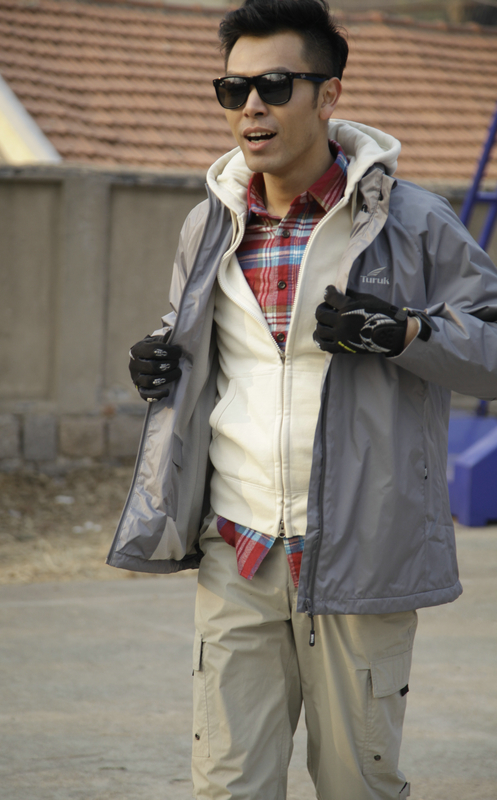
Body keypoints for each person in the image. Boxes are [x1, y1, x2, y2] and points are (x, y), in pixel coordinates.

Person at [107, 1, 497, 797]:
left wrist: (406, 333)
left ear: (328, 95)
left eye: (275, 85)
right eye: (233, 89)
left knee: (355, 784)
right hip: (238, 546)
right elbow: (204, 346)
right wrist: (162, 362)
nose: (251, 106)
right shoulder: (207, 225)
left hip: (361, 552)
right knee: (227, 786)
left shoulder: (414, 223)